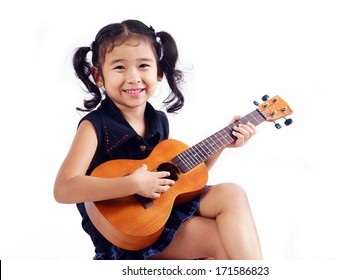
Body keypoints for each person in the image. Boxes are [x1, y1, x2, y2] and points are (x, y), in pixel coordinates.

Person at [54, 19, 262, 260]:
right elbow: (64, 189)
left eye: (143, 65)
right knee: (218, 239)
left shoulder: (158, 121)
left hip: (160, 218)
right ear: (98, 76)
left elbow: (181, 183)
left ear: (159, 71)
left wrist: (224, 142)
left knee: (232, 193)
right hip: (126, 240)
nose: (133, 77)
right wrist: (133, 184)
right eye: (120, 67)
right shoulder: (95, 126)